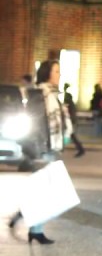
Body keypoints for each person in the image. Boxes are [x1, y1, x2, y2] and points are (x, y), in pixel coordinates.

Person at [9, 60, 67, 245]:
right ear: (47, 73)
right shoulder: (41, 93)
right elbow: (37, 122)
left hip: (51, 147)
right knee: (53, 191)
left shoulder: (53, 94)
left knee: (48, 191)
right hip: (43, 149)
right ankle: (26, 218)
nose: (58, 75)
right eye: (56, 71)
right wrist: (40, 148)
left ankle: (34, 228)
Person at [62, 84, 85, 157]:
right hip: (71, 118)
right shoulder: (68, 97)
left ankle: (81, 149)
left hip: (70, 119)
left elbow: (68, 108)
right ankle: (80, 149)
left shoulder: (67, 97)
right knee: (71, 135)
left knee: (70, 134)